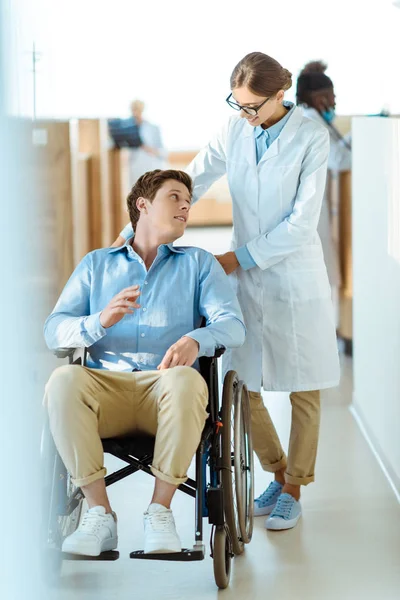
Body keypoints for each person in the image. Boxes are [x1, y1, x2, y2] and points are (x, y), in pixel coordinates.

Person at [114, 52, 340, 532]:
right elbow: (188, 179)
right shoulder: (235, 129)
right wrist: (139, 224)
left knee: (304, 385)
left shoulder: (311, 137)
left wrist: (236, 258)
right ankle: (278, 471)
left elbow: (302, 224)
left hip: (293, 273)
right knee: (242, 380)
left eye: (253, 106)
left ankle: (295, 488)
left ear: (280, 96)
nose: (244, 114)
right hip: (245, 277)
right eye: (237, 104)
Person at [43, 169, 245, 557]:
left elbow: (233, 325)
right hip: (107, 392)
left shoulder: (199, 264)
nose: (186, 204)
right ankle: (99, 514)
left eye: (189, 199)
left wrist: (196, 339)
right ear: (143, 205)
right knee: (64, 380)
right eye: (175, 197)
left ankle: (160, 512)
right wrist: (99, 321)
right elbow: (54, 330)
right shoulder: (96, 265)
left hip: (167, 391)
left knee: (185, 380)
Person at [296, 61, 352, 301]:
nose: (335, 102)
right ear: (320, 99)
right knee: (321, 282)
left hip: (309, 216)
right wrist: (362, 133)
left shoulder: (303, 119)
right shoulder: (312, 122)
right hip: (310, 218)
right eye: (332, 96)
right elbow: (341, 160)